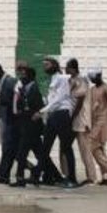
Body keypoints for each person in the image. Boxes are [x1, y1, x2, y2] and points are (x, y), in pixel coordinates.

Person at [42, 55, 76, 189]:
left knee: (66, 147)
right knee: (45, 148)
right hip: (53, 115)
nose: (45, 68)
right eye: (44, 65)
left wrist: (43, 110)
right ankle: (47, 176)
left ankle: (71, 177)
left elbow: (60, 99)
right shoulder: (52, 79)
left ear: (54, 65)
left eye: (47, 65)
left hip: (62, 114)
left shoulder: (62, 79)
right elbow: (51, 99)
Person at [85, 70, 107, 185]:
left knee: (91, 145)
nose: (91, 80)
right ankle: (106, 176)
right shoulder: (92, 90)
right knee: (99, 148)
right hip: (94, 121)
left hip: (104, 121)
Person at [0, 60, 19, 185]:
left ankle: (4, 174)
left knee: (9, 149)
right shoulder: (2, 82)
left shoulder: (9, 81)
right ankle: (3, 174)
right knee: (9, 149)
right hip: (4, 119)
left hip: (11, 121)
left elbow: (15, 99)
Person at [66, 57, 95, 184]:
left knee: (85, 150)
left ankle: (91, 177)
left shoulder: (81, 81)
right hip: (72, 119)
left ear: (72, 68)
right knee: (65, 147)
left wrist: (71, 117)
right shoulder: (70, 80)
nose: (65, 69)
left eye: (67, 67)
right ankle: (67, 174)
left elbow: (79, 102)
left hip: (81, 120)